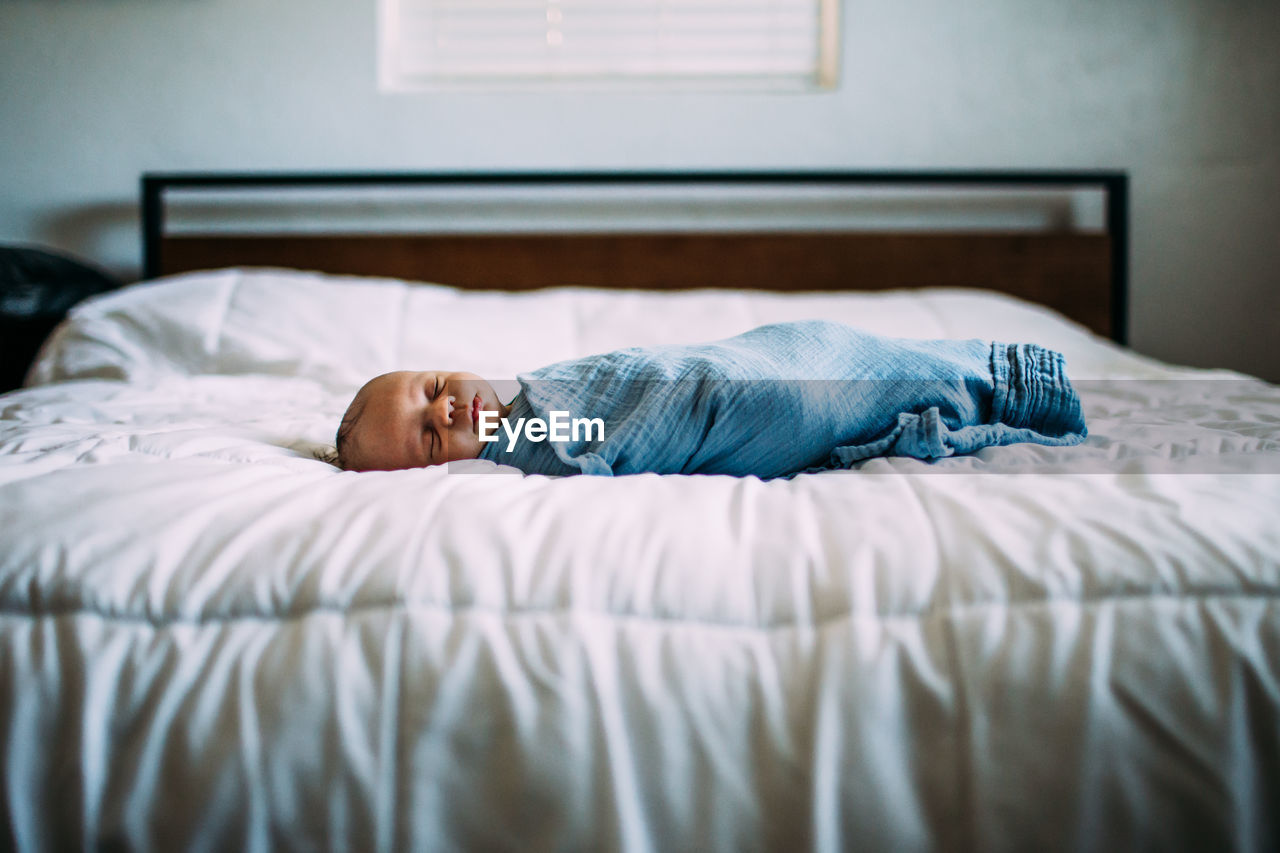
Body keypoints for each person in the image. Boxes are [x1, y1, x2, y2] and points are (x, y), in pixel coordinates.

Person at [335, 319, 1087, 478]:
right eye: (432, 439)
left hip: (755, 362)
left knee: (839, 361)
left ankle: (1003, 378)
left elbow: (649, 373)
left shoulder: (541, 386)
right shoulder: (534, 435)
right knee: (833, 399)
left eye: (431, 391)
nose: (445, 411)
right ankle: (1003, 386)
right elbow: (602, 437)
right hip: (747, 404)